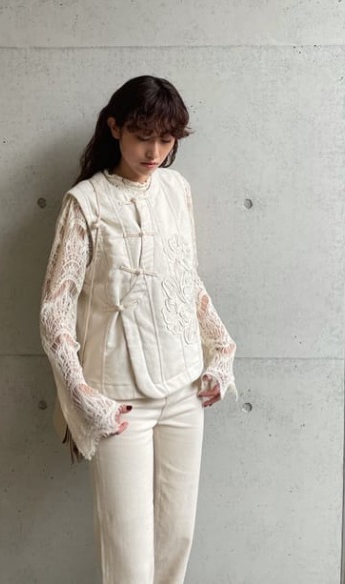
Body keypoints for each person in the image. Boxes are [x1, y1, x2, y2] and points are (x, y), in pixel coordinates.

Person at [39, 75, 237, 584]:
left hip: (185, 389)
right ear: (115, 128)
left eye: (166, 140)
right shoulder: (85, 203)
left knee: (178, 538)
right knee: (128, 553)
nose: (154, 152)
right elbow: (55, 311)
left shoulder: (176, 190)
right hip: (119, 400)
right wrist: (83, 396)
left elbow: (185, 279)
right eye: (142, 136)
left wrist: (222, 350)